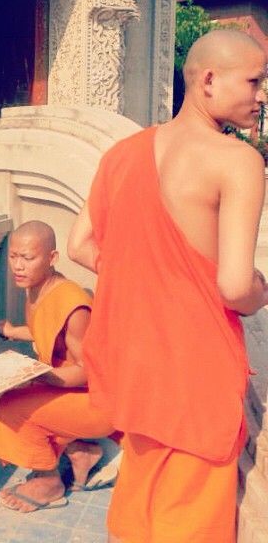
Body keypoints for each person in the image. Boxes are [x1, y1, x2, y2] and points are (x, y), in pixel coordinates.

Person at [67, 29, 268, 542]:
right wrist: (262, 287)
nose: (262, 94)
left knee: (140, 503)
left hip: (135, 362)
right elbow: (233, 286)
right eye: (254, 80)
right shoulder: (238, 159)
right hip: (197, 370)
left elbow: (80, 245)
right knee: (189, 516)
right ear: (208, 80)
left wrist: (146, 277)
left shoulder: (124, 152)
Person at [0, 220, 117, 513]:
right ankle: (82, 453)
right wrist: (12, 330)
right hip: (72, 391)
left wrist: (40, 377)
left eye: (28, 258)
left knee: (9, 411)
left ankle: (49, 483)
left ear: (52, 258)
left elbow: (91, 371)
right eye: (13, 256)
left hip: (101, 402)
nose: (18, 266)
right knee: (0, 403)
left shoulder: (73, 303)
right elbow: (46, 330)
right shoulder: (38, 288)